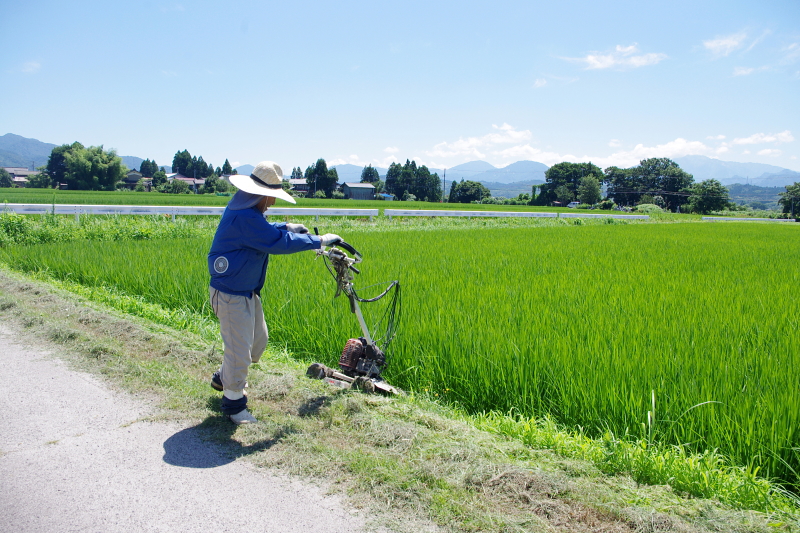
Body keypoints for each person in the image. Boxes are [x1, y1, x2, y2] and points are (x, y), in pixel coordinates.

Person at [207, 161, 341, 424]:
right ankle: (234, 406)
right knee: (239, 352)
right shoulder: (245, 217)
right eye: (271, 197)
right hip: (232, 293)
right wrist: (319, 239)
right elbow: (274, 242)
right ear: (260, 193)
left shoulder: (246, 211)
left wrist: (287, 227)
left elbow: (267, 230)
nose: (272, 203)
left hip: (246, 292)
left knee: (257, 343)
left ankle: (223, 378)